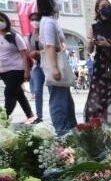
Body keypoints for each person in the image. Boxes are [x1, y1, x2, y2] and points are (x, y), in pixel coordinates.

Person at [37, 0, 76, 134]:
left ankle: (70, 131)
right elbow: (49, 46)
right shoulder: (48, 22)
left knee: (65, 101)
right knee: (59, 102)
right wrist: (54, 68)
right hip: (55, 66)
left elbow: (51, 44)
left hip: (56, 64)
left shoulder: (48, 21)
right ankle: (63, 133)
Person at [0, 12, 34, 123]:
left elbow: (24, 54)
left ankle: (3, 118)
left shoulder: (14, 36)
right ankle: (30, 115)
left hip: (17, 69)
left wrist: (26, 72)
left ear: (6, 21)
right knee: (18, 93)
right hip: (3, 71)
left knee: (9, 92)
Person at [26, 12, 44, 123]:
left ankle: (56, 112)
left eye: (36, 19)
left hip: (48, 65)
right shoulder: (30, 36)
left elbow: (55, 48)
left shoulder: (46, 33)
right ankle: (39, 116)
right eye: (32, 19)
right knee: (37, 91)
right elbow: (29, 51)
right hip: (37, 66)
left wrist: (39, 52)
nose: (34, 21)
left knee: (54, 90)